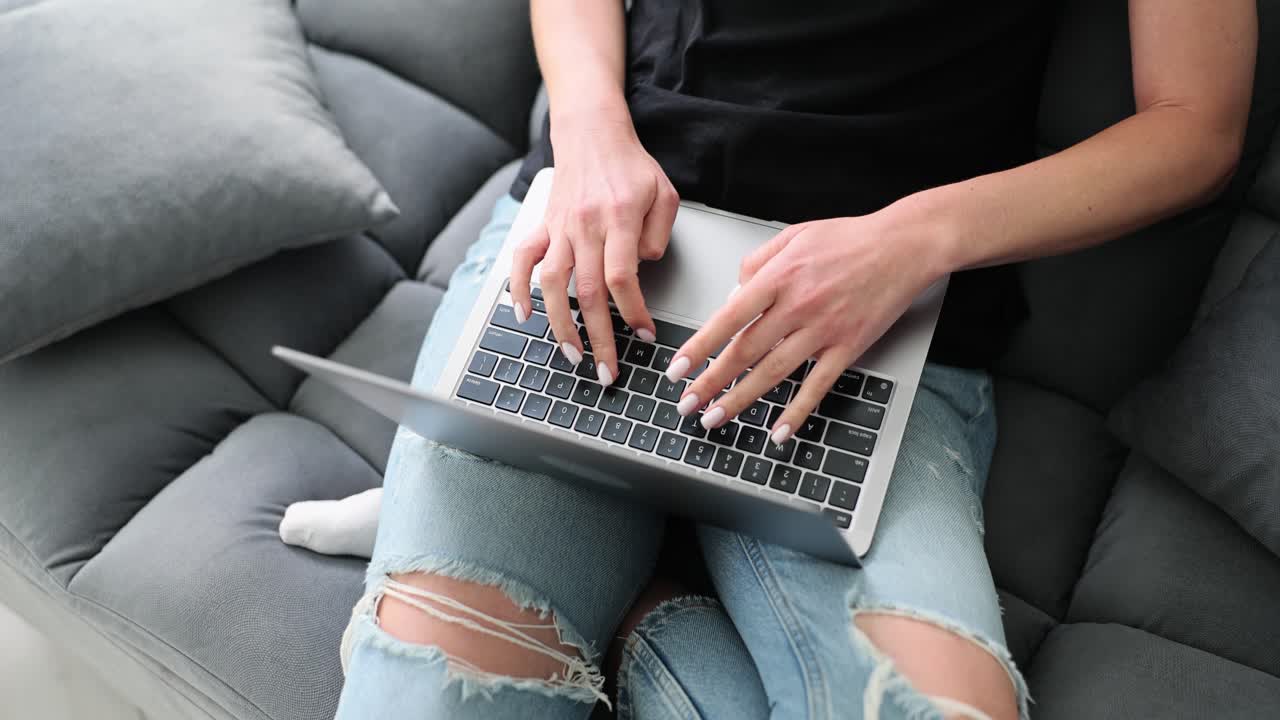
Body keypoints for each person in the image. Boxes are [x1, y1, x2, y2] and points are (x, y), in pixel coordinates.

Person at [307, 1, 1256, 718]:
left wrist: (914, 238)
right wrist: (588, 135)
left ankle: (649, 614)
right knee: (434, 692)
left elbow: (1192, 125)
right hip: (608, 251)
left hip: (875, 318)